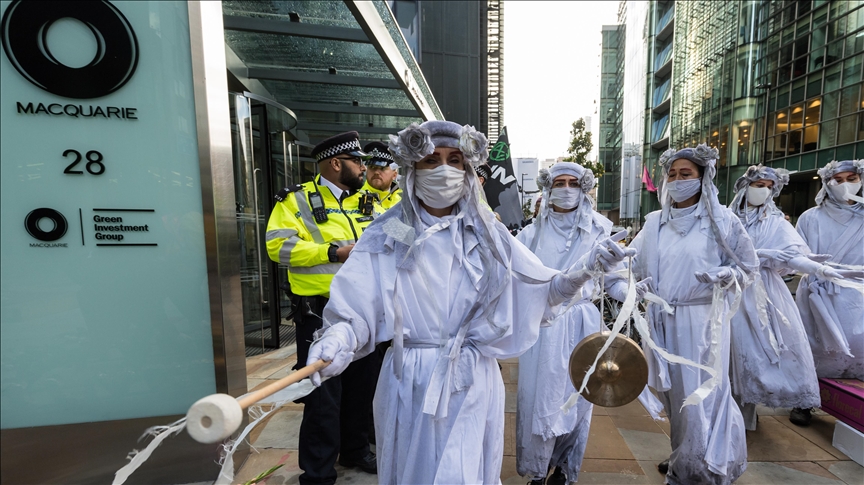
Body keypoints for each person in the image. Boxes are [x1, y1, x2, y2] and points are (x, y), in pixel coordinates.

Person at [302, 120, 633, 484]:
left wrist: (582, 272)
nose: (443, 169)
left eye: (454, 160)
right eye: (432, 160)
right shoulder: (391, 230)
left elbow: (540, 290)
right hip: (410, 380)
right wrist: (338, 339)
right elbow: (359, 301)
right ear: (413, 168)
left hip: (472, 379)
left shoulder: (487, 233)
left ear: (467, 169)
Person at [628, 145, 757, 484]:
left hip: (703, 323)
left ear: (702, 178)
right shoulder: (654, 224)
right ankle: (684, 458)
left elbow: (748, 266)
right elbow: (633, 262)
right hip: (664, 322)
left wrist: (730, 276)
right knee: (678, 401)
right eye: (672, 175)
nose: (678, 180)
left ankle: (707, 468)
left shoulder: (722, 221)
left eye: (686, 174)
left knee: (705, 396)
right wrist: (633, 283)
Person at [515, 162, 648, 485]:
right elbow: (518, 279)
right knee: (537, 398)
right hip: (543, 324)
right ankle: (537, 468)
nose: (565, 188)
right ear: (547, 189)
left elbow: (612, 280)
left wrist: (630, 292)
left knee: (579, 397)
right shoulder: (530, 234)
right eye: (558, 182)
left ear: (584, 187)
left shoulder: (600, 230)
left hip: (582, 324)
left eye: (572, 182)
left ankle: (564, 468)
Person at [266, 131, 381, 485]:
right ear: (336, 163)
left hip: (365, 311)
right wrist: (332, 252)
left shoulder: (367, 203)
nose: (364, 167)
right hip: (320, 313)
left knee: (363, 389)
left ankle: (355, 449)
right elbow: (278, 247)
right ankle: (317, 474)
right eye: (358, 161)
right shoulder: (296, 201)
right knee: (323, 395)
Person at [727, 165, 837, 430]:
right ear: (745, 185)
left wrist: (816, 267)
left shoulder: (776, 222)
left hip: (763, 293)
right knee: (724, 352)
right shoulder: (725, 217)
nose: (762, 190)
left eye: (768, 186)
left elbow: (792, 256)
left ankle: (744, 416)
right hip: (727, 288)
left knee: (754, 353)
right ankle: (723, 413)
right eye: (758, 184)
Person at [793, 159, 864, 424]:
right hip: (818, 292)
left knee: (858, 348)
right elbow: (798, 253)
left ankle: (853, 403)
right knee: (813, 347)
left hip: (858, 295)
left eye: (851, 178)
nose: (845, 185)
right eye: (839, 179)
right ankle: (805, 400)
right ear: (827, 183)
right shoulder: (810, 217)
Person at [361, 141, 402, 210]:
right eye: (372, 167)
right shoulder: (355, 196)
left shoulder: (402, 202)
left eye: (382, 168)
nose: (376, 172)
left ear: (394, 175)